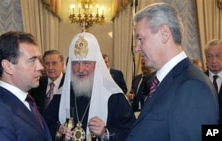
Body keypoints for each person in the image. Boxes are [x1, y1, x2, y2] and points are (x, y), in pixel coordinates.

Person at [126, 3, 219, 141]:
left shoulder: (192, 86)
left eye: (140, 39)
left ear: (164, 33)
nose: (137, 48)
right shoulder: (161, 81)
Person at [59, 32, 136, 141]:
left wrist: (105, 133)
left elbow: (130, 131)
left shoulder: (113, 96)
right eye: (76, 63)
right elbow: (47, 126)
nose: (80, 69)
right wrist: (59, 133)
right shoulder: (61, 95)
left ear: (97, 64)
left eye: (86, 63)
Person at [0, 31, 52, 141]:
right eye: (32, 60)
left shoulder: (26, 100)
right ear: (8, 67)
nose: (41, 67)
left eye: (39, 60)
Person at [29, 50, 65, 141]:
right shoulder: (37, 84)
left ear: (62, 64)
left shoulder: (69, 85)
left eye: (54, 63)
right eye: (47, 64)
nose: (50, 67)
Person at [204, 39, 222, 124]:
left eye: (218, 55)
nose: (214, 61)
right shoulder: (199, 80)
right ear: (205, 59)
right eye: (209, 56)